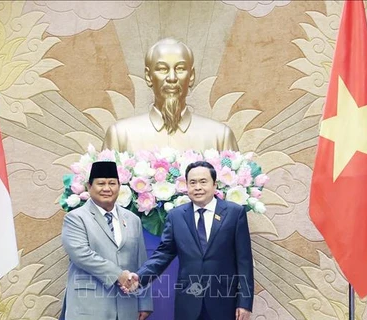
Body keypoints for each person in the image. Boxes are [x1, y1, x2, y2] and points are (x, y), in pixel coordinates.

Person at [133, 161, 254, 320]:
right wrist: (139, 277)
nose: (197, 187)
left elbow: (244, 261)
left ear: (214, 184)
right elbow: (163, 255)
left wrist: (244, 302)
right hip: (188, 302)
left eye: (203, 182)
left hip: (224, 301)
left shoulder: (234, 213)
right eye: (192, 182)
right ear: (187, 187)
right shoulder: (176, 216)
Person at [103, 38, 238, 152]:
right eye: (162, 69)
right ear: (148, 76)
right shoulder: (120, 136)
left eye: (180, 69)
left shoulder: (220, 137)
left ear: (191, 76)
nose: (172, 78)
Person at [60, 161, 153, 320]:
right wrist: (118, 274)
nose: (107, 188)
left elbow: (141, 262)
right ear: (90, 186)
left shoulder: (132, 219)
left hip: (127, 307)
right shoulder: (75, 218)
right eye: (100, 183)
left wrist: (144, 302)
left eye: (112, 183)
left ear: (119, 186)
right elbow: (82, 255)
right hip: (89, 307)